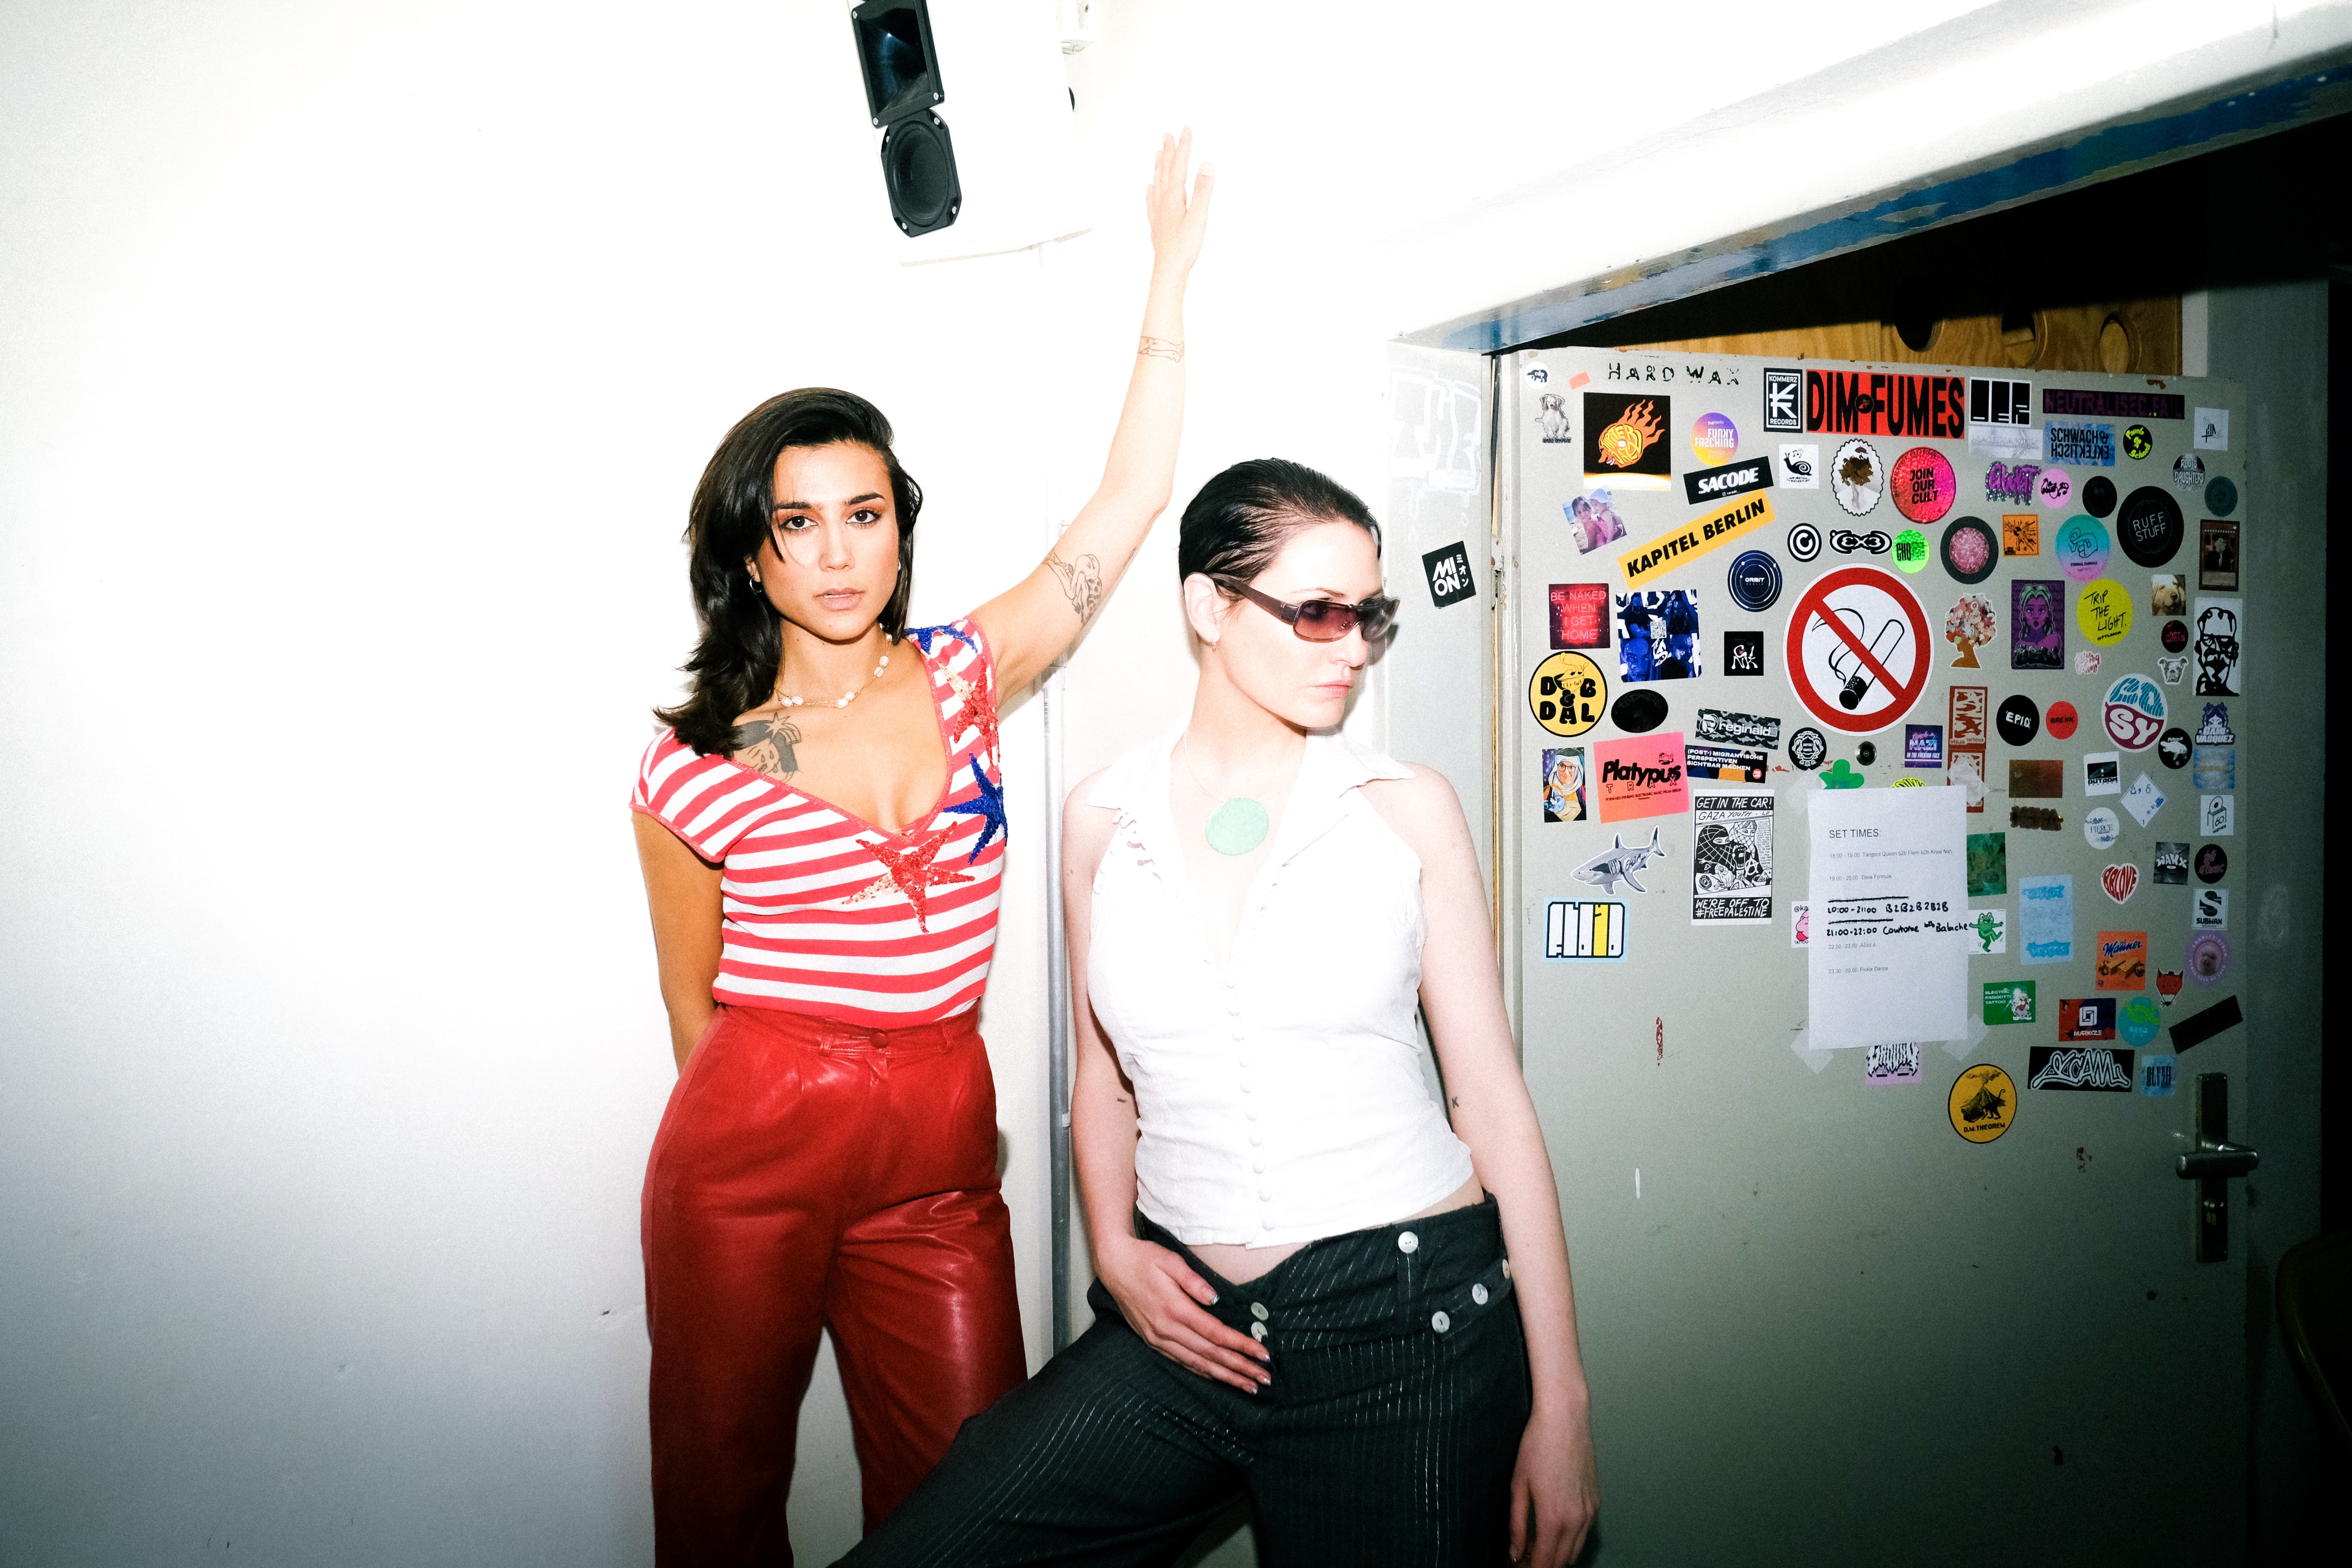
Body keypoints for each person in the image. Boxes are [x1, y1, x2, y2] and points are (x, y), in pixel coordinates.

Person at [842, 459, 1601, 1568]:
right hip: (1181, 1328)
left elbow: (1490, 1100)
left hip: (1405, 1328)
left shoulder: (1406, 811)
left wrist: (1563, 1401)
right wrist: (1114, 1249)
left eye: (1370, 614)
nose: (1354, 647)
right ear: (1209, 606)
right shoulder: (1103, 817)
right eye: (1319, 612)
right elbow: (1102, 1077)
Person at [628, 135, 1213, 1564]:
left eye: (864, 516)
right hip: (750, 1142)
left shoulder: (968, 672)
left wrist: (1169, 278)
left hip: (940, 1141)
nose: (837, 553)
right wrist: (779, 1132)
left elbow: (1128, 503)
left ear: (900, 535)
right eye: (799, 524)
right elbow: (693, 1009)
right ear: (752, 553)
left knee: (977, 1500)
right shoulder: (693, 758)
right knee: (719, 1500)